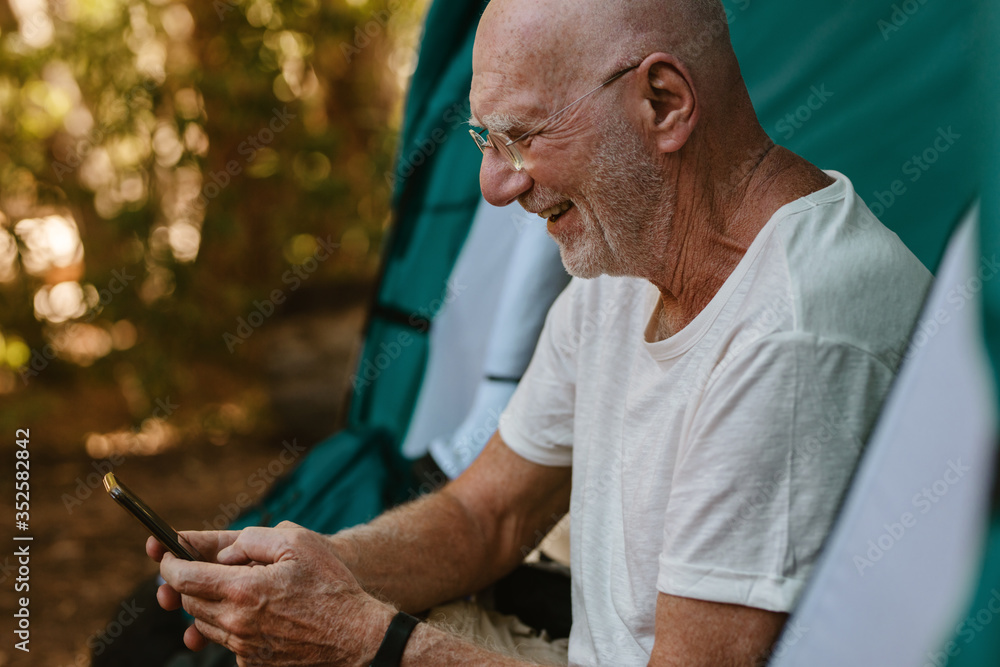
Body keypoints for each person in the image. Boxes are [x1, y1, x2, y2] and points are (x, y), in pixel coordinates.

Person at [147, 0, 933, 664]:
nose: (495, 184)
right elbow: (484, 516)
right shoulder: (627, 258)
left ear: (662, 103)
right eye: (484, 141)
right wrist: (317, 566)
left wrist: (365, 638)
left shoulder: (792, 336)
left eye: (521, 135)